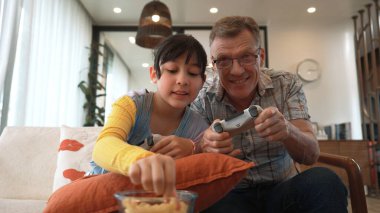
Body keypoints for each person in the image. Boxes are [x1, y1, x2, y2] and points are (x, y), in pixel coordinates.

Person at [191, 16, 348, 212]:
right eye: (223, 60)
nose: (237, 71)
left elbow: (311, 154)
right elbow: (189, 154)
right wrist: (204, 146)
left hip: (282, 189)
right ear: (214, 65)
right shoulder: (201, 96)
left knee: (324, 181)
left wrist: (288, 131)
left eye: (246, 56)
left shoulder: (286, 83)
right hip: (229, 194)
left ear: (261, 57)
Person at [89, 34, 209, 196]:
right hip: (102, 190)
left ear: (203, 81)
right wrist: (140, 160)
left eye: (193, 73)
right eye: (172, 70)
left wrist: (194, 148)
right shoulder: (131, 104)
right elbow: (103, 145)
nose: (182, 80)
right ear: (154, 74)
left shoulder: (198, 126)